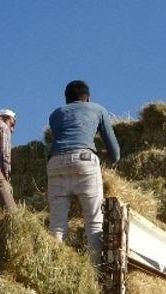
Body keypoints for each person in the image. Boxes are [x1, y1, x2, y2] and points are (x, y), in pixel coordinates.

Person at [46, 80, 121, 263]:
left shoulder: (56, 114)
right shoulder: (98, 109)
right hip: (84, 161)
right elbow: (115, 152)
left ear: (66, 99)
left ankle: (54, 271)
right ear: (87, 98)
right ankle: (94, 275)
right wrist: (108, 156)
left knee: (57, 225)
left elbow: (63, 137)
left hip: (55, 163)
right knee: (94, 221)